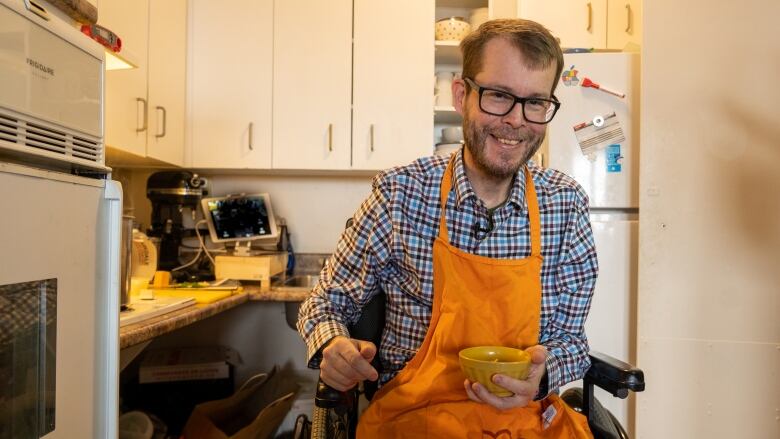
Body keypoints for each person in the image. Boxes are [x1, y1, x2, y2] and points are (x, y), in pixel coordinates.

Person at [298, 18, 597, 438]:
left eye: (535, 103)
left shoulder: (566, 206)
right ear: (462, 95)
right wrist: (334, 347)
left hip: (525, 420)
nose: (516, 120)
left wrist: (542, 378)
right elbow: (325, 303)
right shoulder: (400, 194)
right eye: (498, 96)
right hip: (415, 419)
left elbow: (572, 341)